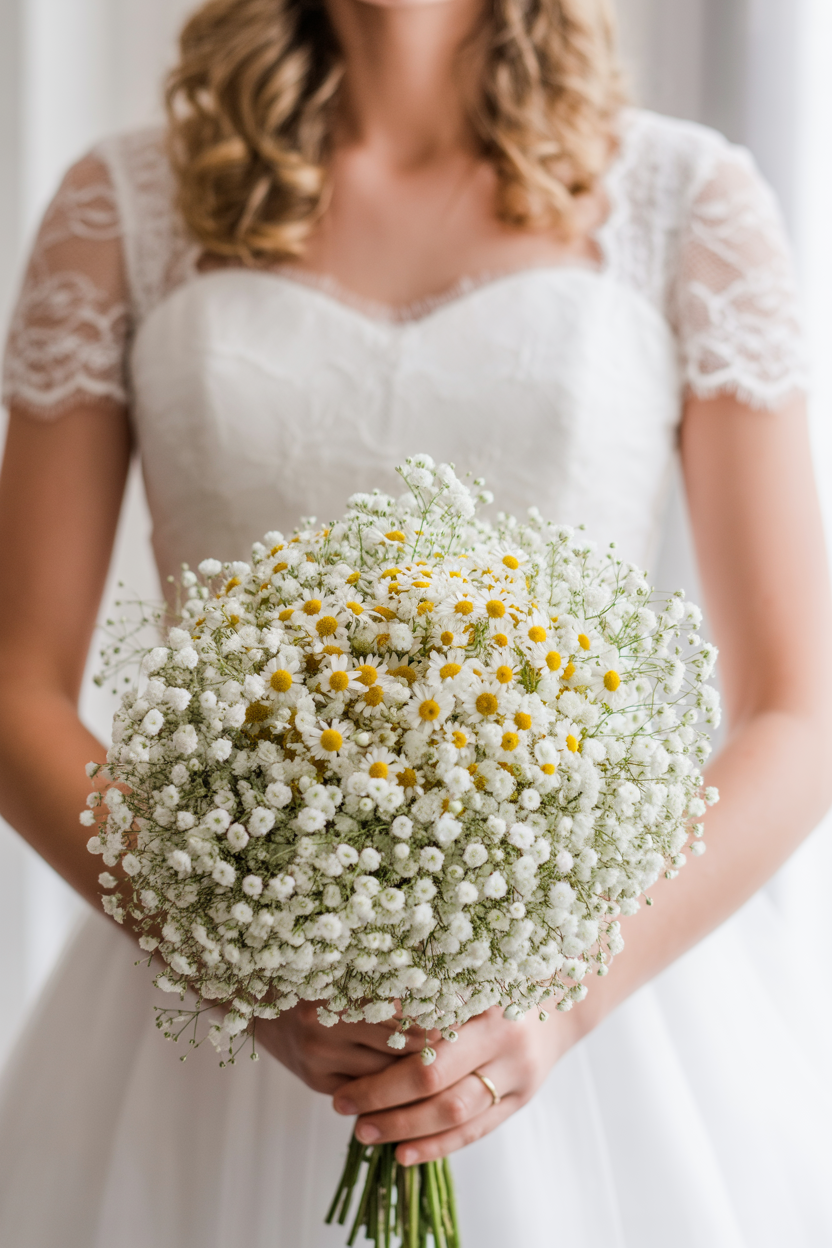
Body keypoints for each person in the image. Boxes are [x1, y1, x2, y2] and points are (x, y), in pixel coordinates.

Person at [1, 0, 831, 1243]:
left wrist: (557, 1002)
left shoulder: (686, 203)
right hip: (213, 1021)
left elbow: (797, 709)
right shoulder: (119, 209)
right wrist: (242, 966)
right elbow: (16, 681)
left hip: (599, 1024)